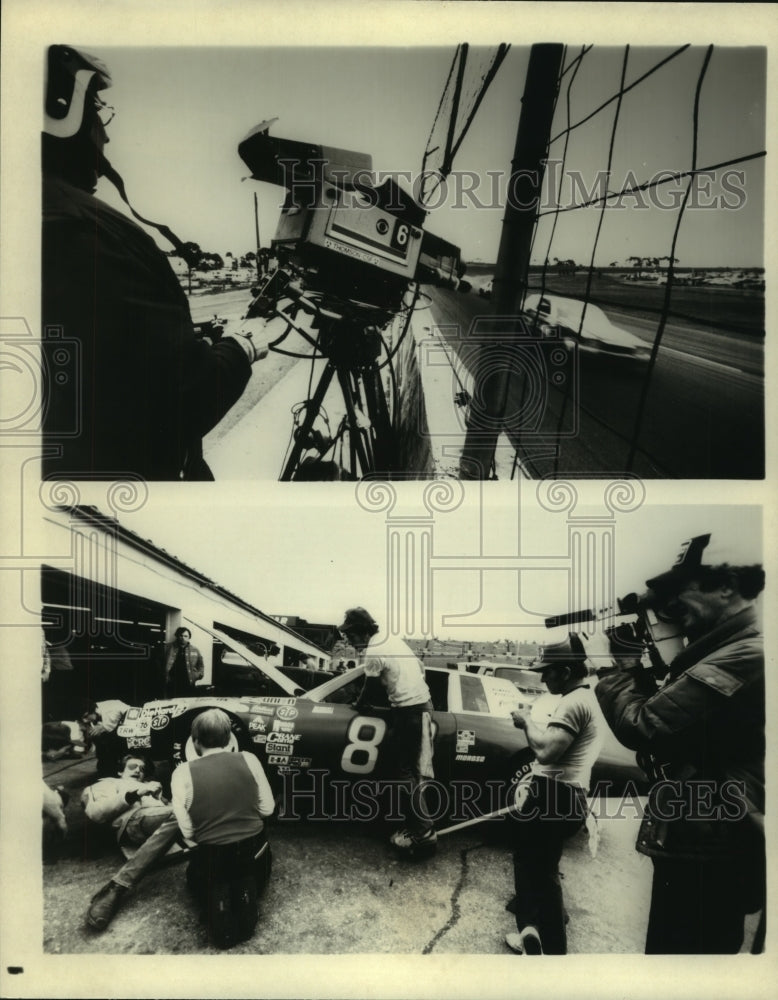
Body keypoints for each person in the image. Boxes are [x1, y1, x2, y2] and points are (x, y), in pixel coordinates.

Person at [42, 44, 270, 481]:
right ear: (62, 114)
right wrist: (242, 347)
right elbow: (183, 397)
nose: (104, 137)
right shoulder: (98, 234)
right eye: (96, 114)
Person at [595, 534, 765, 954]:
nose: (672, 604)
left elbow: (646, 725)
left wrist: (622, 668)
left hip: (711, 851)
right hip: (701, 842)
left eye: (681, 589)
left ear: (727, 587)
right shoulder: (719, 652)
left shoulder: (747, 654)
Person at [505, 633, 605, 956]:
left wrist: (526, 722)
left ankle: (544, 941)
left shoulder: (574, 703)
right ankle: (533, 928)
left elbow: (546, 751)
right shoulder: (584, 699)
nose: (543, 676)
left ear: (565, 671)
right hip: (567, 795)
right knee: (537, 863)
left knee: (537, 868)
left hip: (553, 795)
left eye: (548, 671)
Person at [171, 709, 275, 948]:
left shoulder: (181, 773)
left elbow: (187, 832)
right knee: (251, 869)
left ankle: (217, 900)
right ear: (229, 739)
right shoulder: (249, 759)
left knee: (199, 878)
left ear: (195, 741)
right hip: (249, 847)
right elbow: (267, 809)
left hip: (212, 853)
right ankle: (246, 895)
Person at [341, 607, 437, 856]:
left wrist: (358, 705)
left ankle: (424, 832)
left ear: (362, 631)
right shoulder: (392, 640)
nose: (348, 640)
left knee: (404, 772)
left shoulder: (374, 650)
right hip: (421, 706)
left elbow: (369, 689)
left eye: (350, 635)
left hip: (409, 712)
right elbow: (420, 669)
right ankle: (417, 825)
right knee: (413, 771)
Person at [82, 755, 182, 931]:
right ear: (120, 771)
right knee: (184, 814)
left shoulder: (150, 787)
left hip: (162, 822)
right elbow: (95, 813)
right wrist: (134, 794)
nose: (138, 770)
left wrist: (165, 800)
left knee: (191, 811)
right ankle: (118, 886)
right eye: (133, 766)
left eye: (142, 769)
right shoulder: (106, 783)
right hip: (134, 822)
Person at [80, 698, 131, 776]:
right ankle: (105, 765)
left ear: (94, 711)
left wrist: (104, 727)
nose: (85, 720)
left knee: (107, 740)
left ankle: (111, 768)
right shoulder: (94, 709)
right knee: (99, 738)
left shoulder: (110, 710)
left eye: (86, 716)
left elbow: (112, 726)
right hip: (116, 728)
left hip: (129, 725)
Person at [162, 627, 204, 698]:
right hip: (172, 683)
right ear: (177, 636)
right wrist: (163, 674)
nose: (183, 638)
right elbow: (159, 662)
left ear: (189, 637)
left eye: (185, 636)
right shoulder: (167, 647)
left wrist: (198, 675)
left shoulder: (195, 650)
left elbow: (201, 665)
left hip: (188, 683)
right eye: (181, 635)